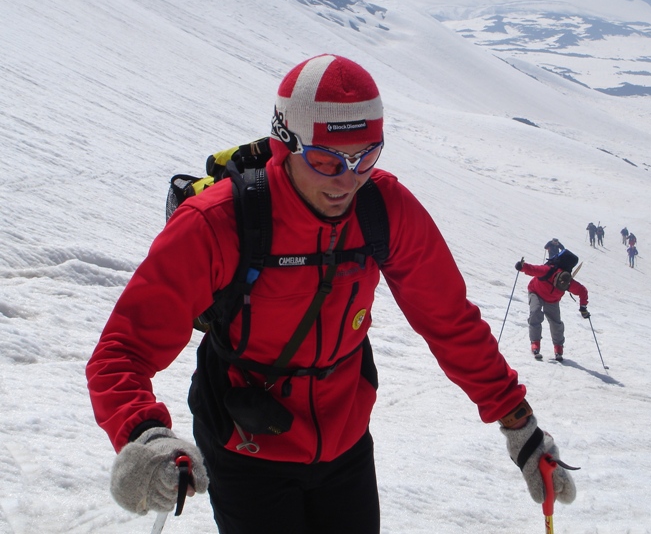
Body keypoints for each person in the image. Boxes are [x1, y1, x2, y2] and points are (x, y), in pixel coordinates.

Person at [85, 55, 576, 533]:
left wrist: (521, 427)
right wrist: (143, 435)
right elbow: (122, 352)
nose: (347, 180)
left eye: (367, 156)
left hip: (345, 446)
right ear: (284, 142)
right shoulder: (218, 224)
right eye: (325, 160)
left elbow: (449, 320)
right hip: (245, 448)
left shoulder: (384, 210)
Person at [516, 250, 589, 362]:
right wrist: (522, 266)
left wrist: (583, 307)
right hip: (536, 292)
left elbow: (582, 291)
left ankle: (558, 347)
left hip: (552, 300)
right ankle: (535, 343)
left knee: (556, 323)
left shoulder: (568, 283)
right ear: (556, 278)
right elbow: (534, 269)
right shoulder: (548, 271)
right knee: (535, 312)